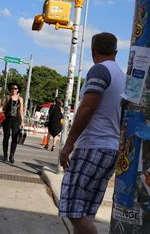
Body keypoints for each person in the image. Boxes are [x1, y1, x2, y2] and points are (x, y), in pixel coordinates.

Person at [59, 32, 125, 234]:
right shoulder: (121, 76)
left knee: (73, 209)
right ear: (115, 51)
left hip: (94, 146)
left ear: (92, 51)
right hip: (111, 148)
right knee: (84, 211)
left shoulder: (99, 70)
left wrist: (69, 143)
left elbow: (88, 107)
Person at [0, 82, 24, 164]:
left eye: (15, 88)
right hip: (7, 119)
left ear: (18, 90)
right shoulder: (7, 97)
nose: (13, 90)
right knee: (6, 137)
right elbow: (2, 107)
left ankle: (12, 155)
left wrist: (22, 121)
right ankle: (5, 155)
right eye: (12, 88)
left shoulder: (20, 99)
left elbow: (21, 111)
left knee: (14, 138)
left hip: (16, 119)